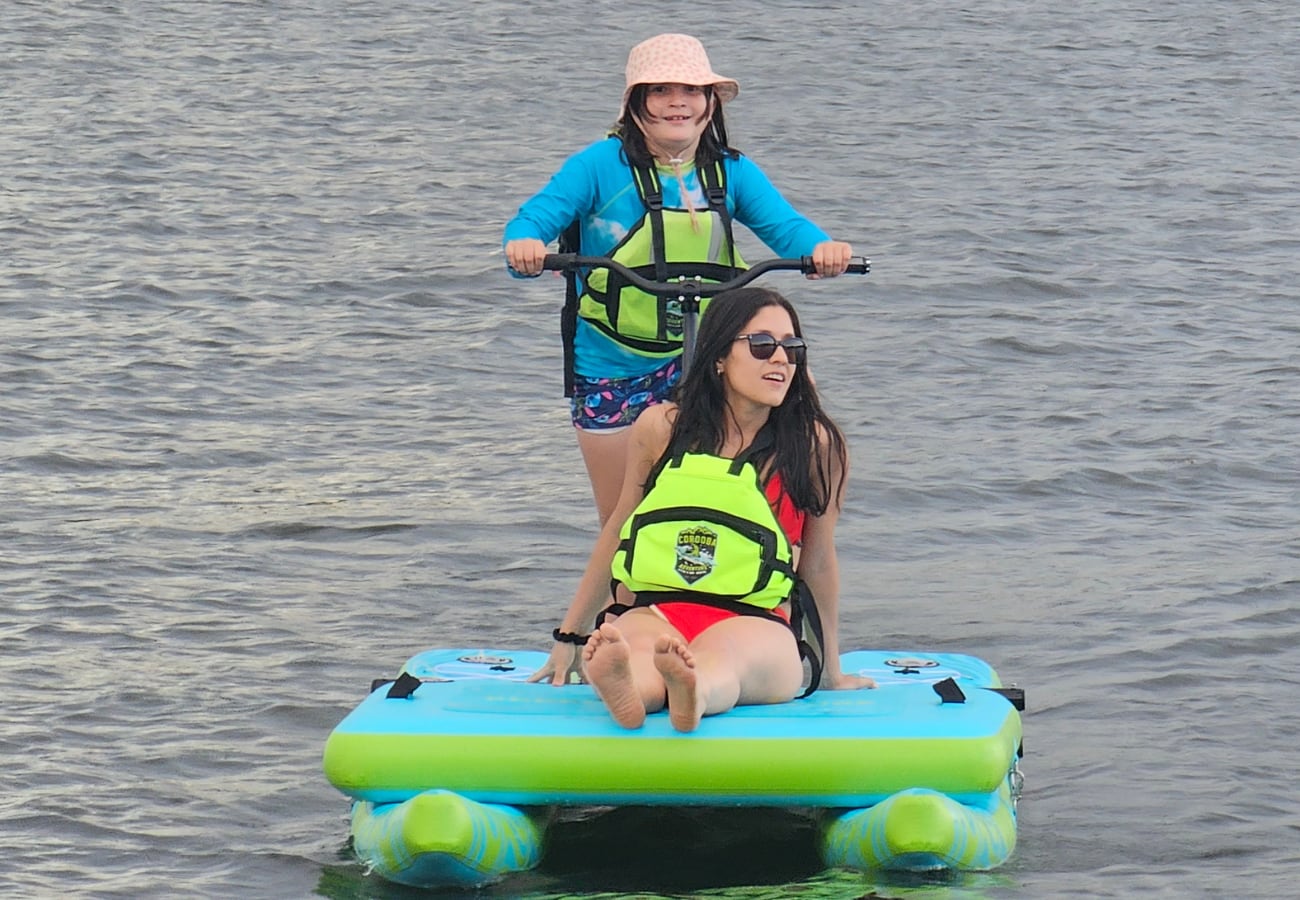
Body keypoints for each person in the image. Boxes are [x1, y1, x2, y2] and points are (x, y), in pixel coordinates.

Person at [504, 33, 855, 527]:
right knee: (625, 520)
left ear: (710, 103)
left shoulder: (731, 171)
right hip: (612, 363)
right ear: (636, 103)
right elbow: (533, 220)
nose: (678, 103)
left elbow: (786, 227)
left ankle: (775, 552)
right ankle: (627, 600)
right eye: (661, 91)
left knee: (796, 409)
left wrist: (822, 250)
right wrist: (526, 247)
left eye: (691, 91)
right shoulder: (597, 167)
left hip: (711, 358)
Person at [530, 287, 876, 732]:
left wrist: (831, 669)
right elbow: (620, 528)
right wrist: (570, 636)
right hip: (656, 610)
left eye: (792, 349)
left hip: (757, 621)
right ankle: (630, 689)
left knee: (723, 661)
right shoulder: (662, 428)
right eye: (762, 346)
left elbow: (819, 561)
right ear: (719, 358)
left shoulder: (815, 445)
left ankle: (692, 693)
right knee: (634, 649)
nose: (781, 360)